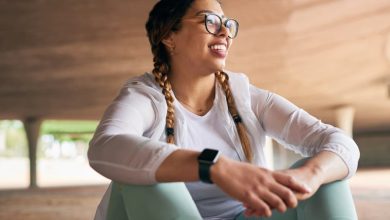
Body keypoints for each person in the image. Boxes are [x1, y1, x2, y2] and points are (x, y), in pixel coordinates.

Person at [88, 0, 360, 219]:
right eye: (210, 21)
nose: (225, 32)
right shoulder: (145, 96)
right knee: (144, 177)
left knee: (326, 176)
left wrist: (309, 175)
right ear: (170, 37)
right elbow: (105, 146)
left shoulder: (248, 97)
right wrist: (214, 166)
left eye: (228, 25)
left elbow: (340, 143)